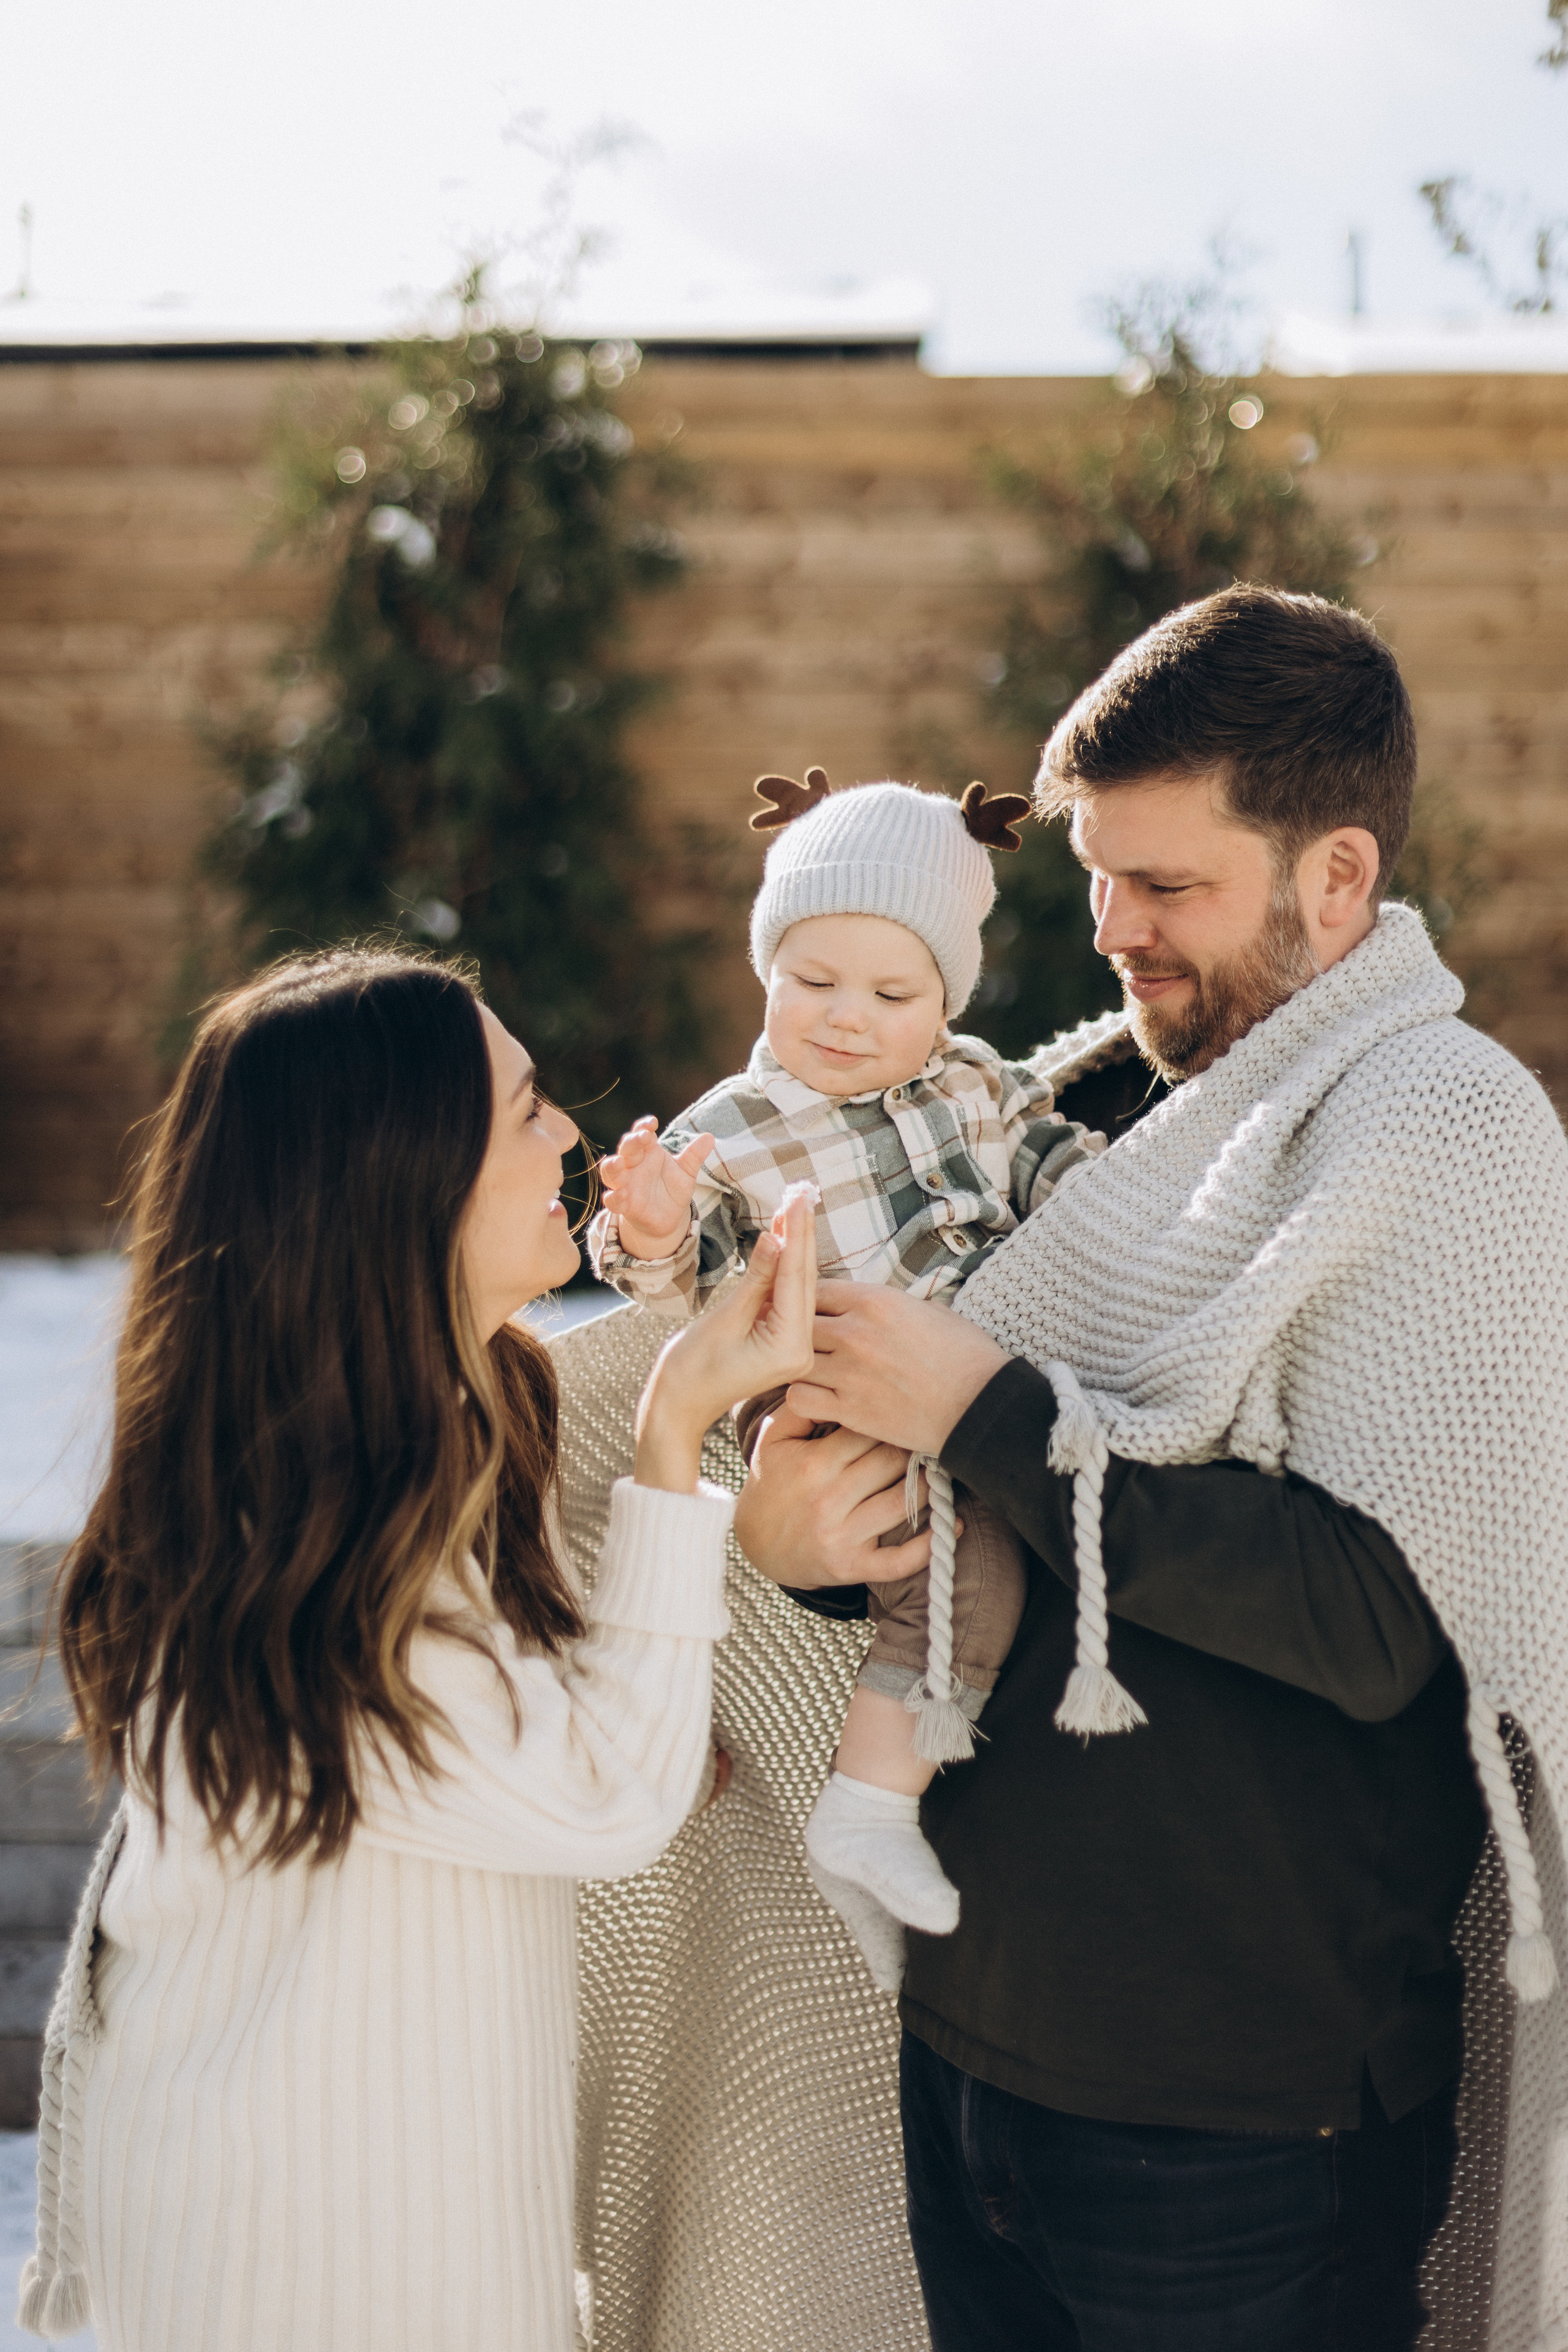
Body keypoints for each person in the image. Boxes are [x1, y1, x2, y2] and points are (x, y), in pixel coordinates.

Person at [731, 586, 1568, 2349]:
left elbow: (1383, 1621)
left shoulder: (1450, 1135)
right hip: (973, 2051)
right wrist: (804, 1537)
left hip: (1247, 2127)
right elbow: (934, 1482)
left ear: (1336, 877)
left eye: (1168, 886)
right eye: (1100, 876)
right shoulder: (1073, 1122)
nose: (1113, 930)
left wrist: (990, 1407)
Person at [19, 946, 817, 2352]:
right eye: (521, 1111)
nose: (570, 1131)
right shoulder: (315, 1548)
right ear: (399, 1180)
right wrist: (674, 1429)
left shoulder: (400, 1448)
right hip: (306, 2251)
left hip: (400, 2212)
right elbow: (605, 1794)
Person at [588, 771, 1100, 1985]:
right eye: (810, 982)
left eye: (891, 992)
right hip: (832, 1393)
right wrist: (652, 1226)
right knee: (947, 1573)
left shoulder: (976, 1085)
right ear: (766, 971)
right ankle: (866, 1807)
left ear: (947, 996)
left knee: (991, 1571)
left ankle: (884, 1818)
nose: (845, 1019)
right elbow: (680, 1295)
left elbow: (1067, 1178)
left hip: (974, 1376)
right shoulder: (736, 1125)